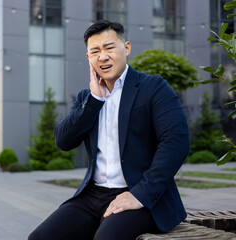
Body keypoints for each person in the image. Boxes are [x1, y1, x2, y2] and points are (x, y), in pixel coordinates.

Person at [28, 20, 190, 240]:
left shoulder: (153, 87)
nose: (102, 56)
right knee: (40, 237)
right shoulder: (87, 97)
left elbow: (176, 142)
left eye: (109, 48)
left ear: (127, 48)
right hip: (92, 195)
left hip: (140, 194)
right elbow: (63, 140)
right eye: (95, 51)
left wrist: (139, 196)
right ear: (88, 58)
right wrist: (95, 100)